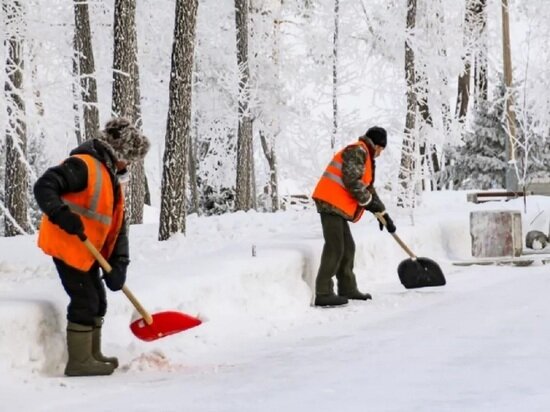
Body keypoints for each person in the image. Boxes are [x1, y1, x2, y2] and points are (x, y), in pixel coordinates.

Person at [34, 118, 150, 376]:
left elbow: (117, 228)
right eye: (129, 158)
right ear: (119, 152)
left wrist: (119, 264)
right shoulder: (83, 166)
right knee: (85, 299)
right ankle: (79, 362)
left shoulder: (110, 179)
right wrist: (60, 213)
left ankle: (91, 354)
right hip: (68, 243)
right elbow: (44, 186)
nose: (129, 165)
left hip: (86, 251)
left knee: (97, 299)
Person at [311, 126, 396, 307]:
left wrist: (383, 214)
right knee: (335, 246)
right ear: (375, 144)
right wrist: (368, 204)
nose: (381, 152)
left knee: (348, 247)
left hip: (337, 205)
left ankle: (347, 288)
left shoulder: (365, 156)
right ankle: (323, 292)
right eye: (381, 148)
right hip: (329, 201)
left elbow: (367, 189)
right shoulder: (357, 151)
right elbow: (352, 181)